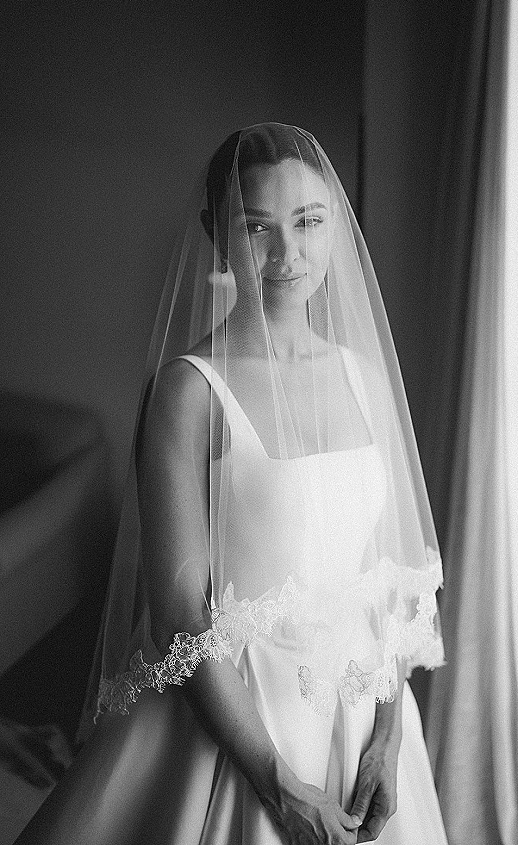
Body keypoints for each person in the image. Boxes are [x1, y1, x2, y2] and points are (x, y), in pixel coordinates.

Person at [15, 123, 448, 844]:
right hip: (238, 722)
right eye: (258, 228)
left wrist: (389, 740)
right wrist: (278, 784)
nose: (288, 254)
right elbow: (181, 615)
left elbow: (388, 583)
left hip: (367, 714)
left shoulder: (363, 378)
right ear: (219, 234)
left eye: (308, 222)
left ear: (334, 226)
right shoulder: (188, 392)